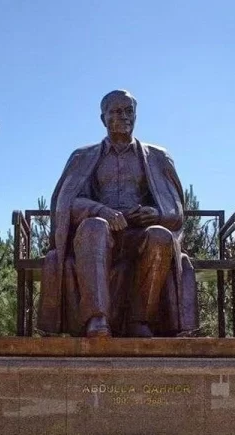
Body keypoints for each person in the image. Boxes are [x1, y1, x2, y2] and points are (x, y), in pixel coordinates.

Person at [36, 89, 198, 338]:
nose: (124, 116)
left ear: (136, 116)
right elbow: (67, 204)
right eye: (116, 111)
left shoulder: (158, 157)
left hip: (138, 235)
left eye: (128, 111)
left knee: (160, 236)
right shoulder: (83, 157)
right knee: (94, 227)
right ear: (103, 119)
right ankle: (97, 319)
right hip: (98, 238)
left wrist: (155, 214)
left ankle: (139, 320)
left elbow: (175, 210)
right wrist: (102, 211)